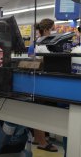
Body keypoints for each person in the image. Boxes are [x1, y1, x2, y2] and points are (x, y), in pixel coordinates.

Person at [28, 18, 58, 152]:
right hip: (40, 81)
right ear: (46, 30)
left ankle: (37, 138)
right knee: (40, 110)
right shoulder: (43, 43)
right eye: (53, 28)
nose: (54, 31)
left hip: (38, 80)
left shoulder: (35, 43)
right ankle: (42, 142)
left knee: (38, 110)